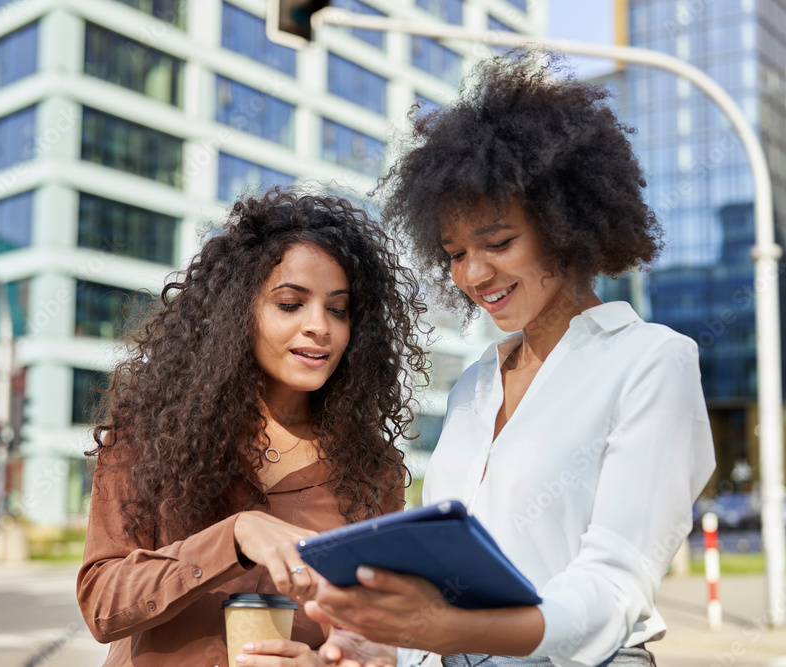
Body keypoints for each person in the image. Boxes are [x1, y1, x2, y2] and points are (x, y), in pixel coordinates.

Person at [305, 52, 716, 667]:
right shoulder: (474, 386)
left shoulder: (653, 361)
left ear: (566, 224)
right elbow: (444, 585)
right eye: (454, 252)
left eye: (498, 242)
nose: (473, 274)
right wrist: (383, 647)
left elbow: (614, 587)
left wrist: (452, 633)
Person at [77, 187, 428, 667]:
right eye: (290, 304)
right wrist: (234, 536)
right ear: (238, 313)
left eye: (338, 309)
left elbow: (369, 636)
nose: (319, 326)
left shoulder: (373, 470)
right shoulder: (149, 439)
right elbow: (102, 605)